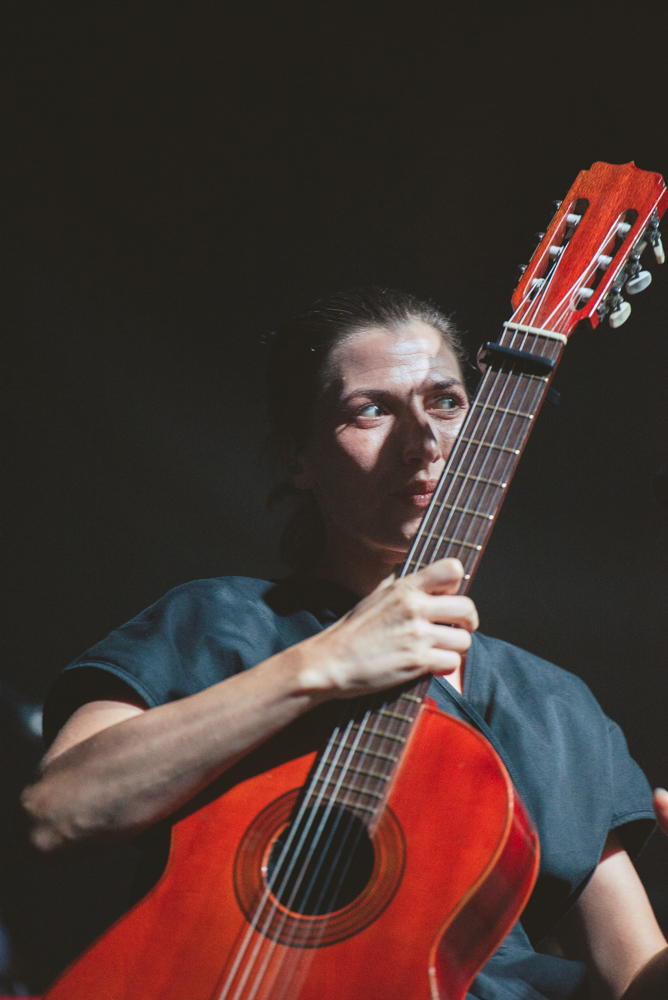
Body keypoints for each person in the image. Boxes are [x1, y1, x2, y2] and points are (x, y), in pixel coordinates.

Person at [21, 287, 668, 999]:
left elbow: (632, 976)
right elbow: (59, 812)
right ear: (296, 458)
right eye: (371, 408)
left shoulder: (556, 709)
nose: (421, 438)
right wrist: (321, 666)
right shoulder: (221, 622)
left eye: (447, 403)